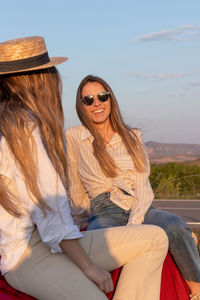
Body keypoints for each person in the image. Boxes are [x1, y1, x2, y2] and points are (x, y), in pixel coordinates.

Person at [0, 37, 168, 300]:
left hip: (50, 242)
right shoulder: (24, 130)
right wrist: (89, 267)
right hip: (29, 254)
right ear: (40, 79)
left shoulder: (16, 125)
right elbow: (50, 214)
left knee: (155, 238)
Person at [65, 74, 200, 300]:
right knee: (100, 246)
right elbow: (74, 182)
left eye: (102, 96)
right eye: (88, 100)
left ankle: (195, 289)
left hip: (139, 206)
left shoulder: (132, 136)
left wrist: (135, 223)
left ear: (111, 99)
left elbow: (142, 184)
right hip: (103, 208)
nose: (96, 103)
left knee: (176, 225)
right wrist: (78, 221)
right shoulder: (74, 136)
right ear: (82, 106)